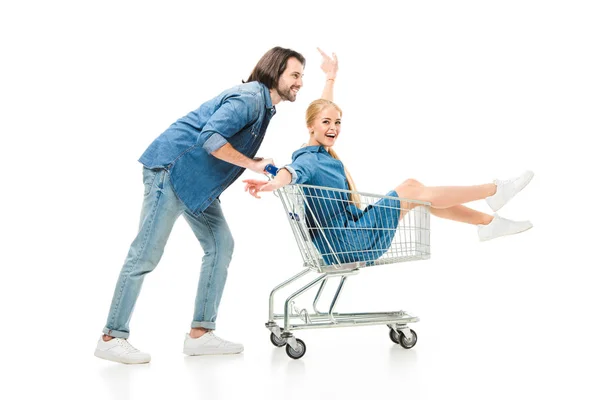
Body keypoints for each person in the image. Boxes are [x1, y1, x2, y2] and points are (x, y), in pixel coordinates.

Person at [95, 47, 336, 365]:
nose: (299, 82)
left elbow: (321, 116)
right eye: (294, 75)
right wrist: (254, 164)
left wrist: (330, 77)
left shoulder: (264, 106)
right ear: (274, 72)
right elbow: (211, 138)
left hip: (197, 186)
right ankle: (112, 337)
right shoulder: (249, 98)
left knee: (221, 245)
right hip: (171, 172)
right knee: (145, 253)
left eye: (302, 77)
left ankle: (200, 334)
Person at [243, 78, 534, 265]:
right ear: (311, 126)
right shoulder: (310, 160)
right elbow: (291, 172)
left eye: (338, 122)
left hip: (343, 236)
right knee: (411, 190)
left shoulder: (321, 150)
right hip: (347, 241)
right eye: (327, 123)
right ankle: (494, 191)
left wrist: (331, 76)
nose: (334, 128)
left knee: (413, 186)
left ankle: (487, 222)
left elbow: (323, 108)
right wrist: (272, 184)